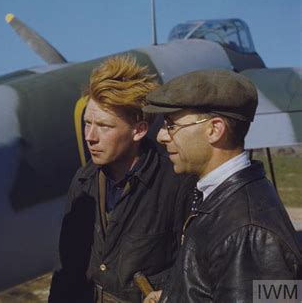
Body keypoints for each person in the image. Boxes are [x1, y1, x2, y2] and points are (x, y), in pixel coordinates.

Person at [141, 69, 301, 302]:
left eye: (171, 125)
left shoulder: (250, 230)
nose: (162, 136)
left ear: (214, 129)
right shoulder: (219, 197)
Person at [48, 56, 196, 303]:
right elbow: (67, 270)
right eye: (87, 123)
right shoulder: (83, 181)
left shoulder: (177, 183)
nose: (90, 137)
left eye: (104, 126)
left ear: (139, 130)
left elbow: (197, 270)